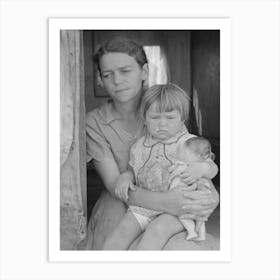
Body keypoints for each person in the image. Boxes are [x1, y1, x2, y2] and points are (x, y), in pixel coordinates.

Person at [85, 36, 219, 250]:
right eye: (107, 75)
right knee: (114, 237)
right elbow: (116, 186)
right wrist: (168, 202)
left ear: (144, 72)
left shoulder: (164, 110)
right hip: (125, 201)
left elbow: (192, 158)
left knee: (174, 240)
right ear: (100, 78)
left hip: (173, 197)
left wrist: (210, 194)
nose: (117, 81)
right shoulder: (94, 122)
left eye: (125, 71)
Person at [102, 84, 218, 250]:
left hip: (178, 210)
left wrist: (200, 169)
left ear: (182, 119)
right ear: (145, 119)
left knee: (156, 231)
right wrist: (125, 177)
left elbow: (212, 167)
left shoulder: (190, 143)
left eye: (170, 118)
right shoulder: (139, 146)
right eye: (155, 118)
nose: (162, 124)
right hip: (144, 207)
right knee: (119, 233)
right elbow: (131, 170)